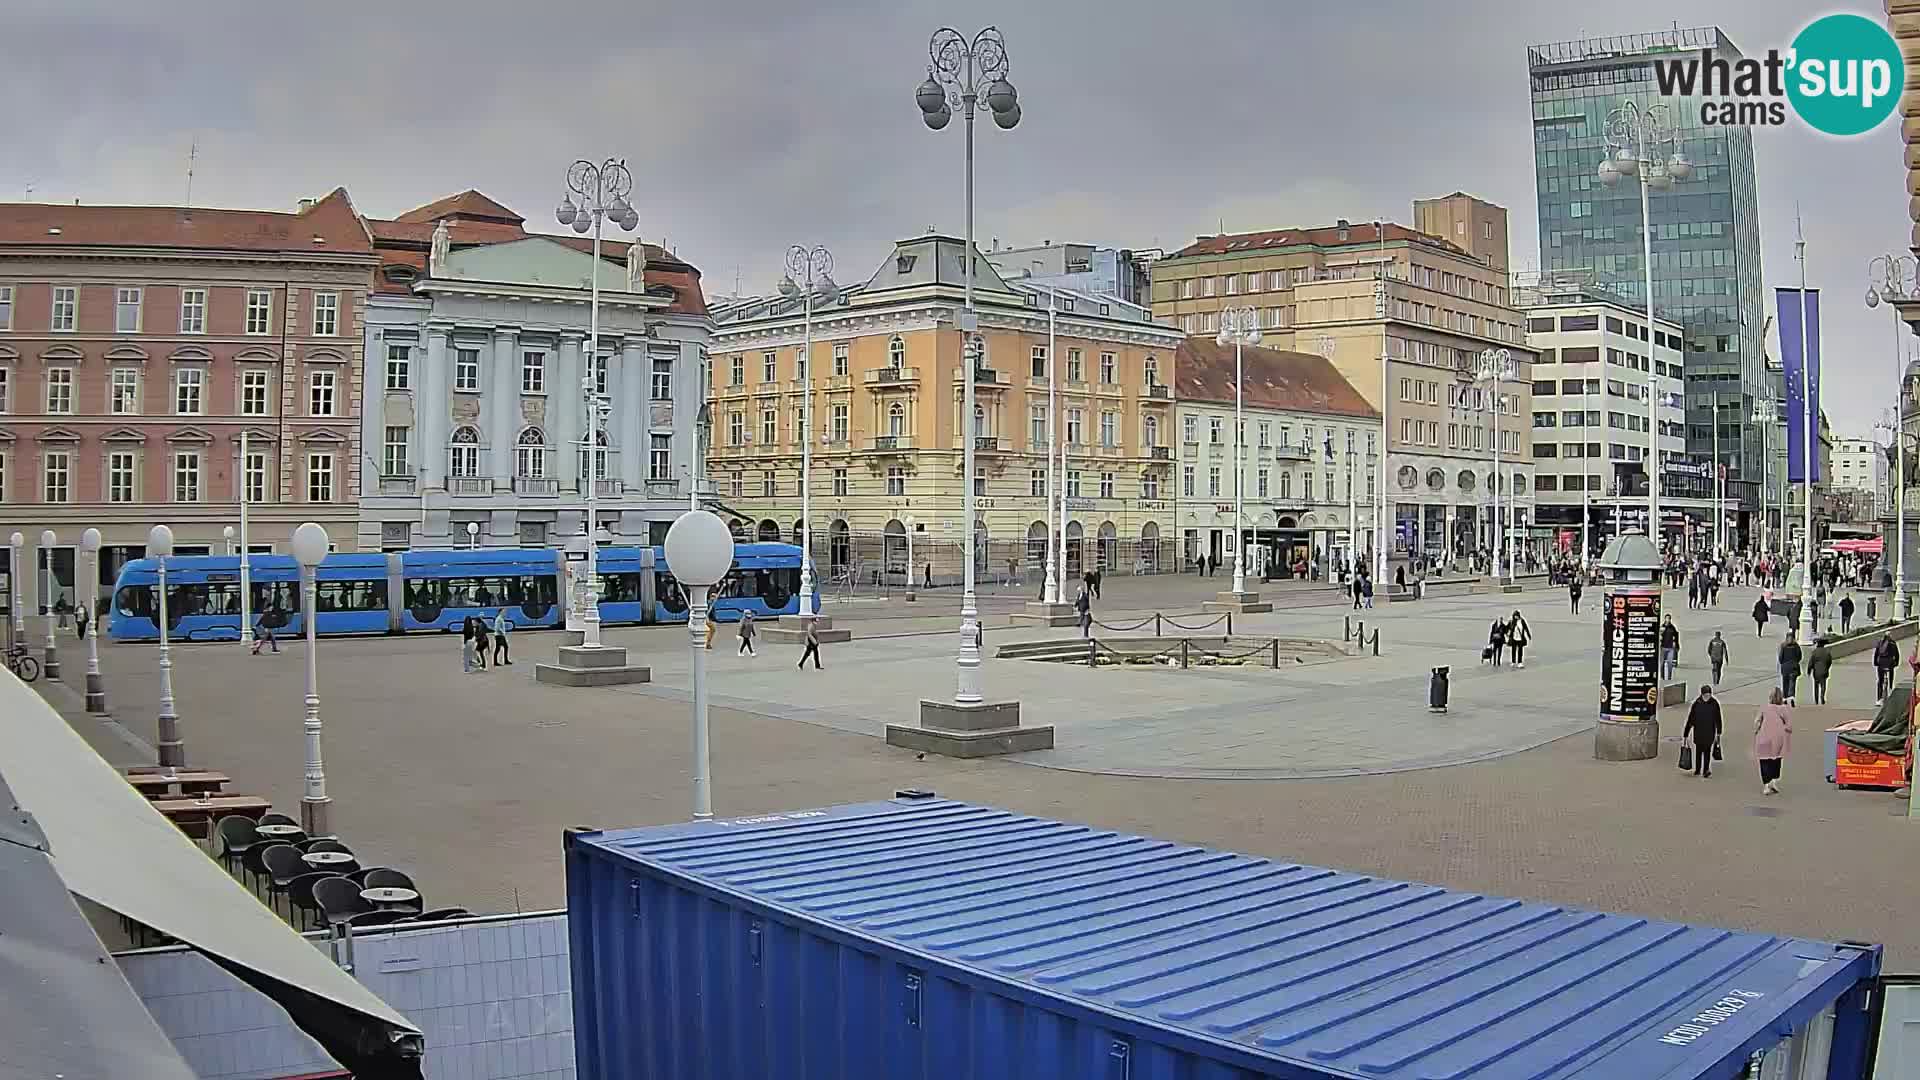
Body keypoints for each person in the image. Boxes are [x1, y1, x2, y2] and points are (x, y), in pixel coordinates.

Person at [1752, 688, 1793, 795]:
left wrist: (1756, 731)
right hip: (1778, 739)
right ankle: (1773, 781)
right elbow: (1789, 726)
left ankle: (1766, 784)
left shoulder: (1764, 707)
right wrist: (1782, 729)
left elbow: (1757, 721)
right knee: (1776, 760)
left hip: (1763, 737)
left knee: (1764, 760)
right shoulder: (1784, 709)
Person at [1682, 684, 1722, 779]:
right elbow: (1691, 719)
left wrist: (1719, 732)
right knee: (1699, 751)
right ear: (1702, 694)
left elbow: (1718, 719)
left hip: (1709, 731)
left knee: (1707, 751)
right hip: (1699, 731)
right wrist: (1686, 733)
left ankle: (1706, 770)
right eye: (1706, 695)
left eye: (1709, 695)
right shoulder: (1697, 703)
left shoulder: (1714, 703)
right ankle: (1698, 769)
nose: (1707, 697)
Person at [1777, 631, 1803, 705]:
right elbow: (1799, 656)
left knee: (1785, 683)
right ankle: (1791, 696)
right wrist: (1795, 662)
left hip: (1785, 667)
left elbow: (1780, 657)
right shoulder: (1796, 646)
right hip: (1794, 667)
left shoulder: (1783, 646)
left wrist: (1783, 663)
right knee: (1792, 682)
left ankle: (1784, 698)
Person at [1874, 632, 1901, 702]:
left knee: (1880, 681)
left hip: (1881, 664)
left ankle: (1879, 699)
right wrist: (1896, 663)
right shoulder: (1893, 644)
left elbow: (1876, 654)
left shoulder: (1880, 643)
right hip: (1890, 664)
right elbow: (1897, 655)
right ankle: (1891, 687)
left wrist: (1875, 663)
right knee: (1891, 674)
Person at [1808, 635, 1833, 704]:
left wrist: (1809, 671)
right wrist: (1827, 668)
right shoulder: (1827, 652)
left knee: (1816, 686)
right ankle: (1822, 696)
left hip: (1816, 672)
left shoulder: (1814, 652)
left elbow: (1811, 662)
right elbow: (1829, 661)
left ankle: (1816, 700)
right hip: (1824, 671)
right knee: (1823, 685)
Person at [1659, 615, 1680, 681]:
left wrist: (1677, 645)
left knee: (1670, 664)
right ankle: (1662, 677)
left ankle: (1669, 678)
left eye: (1669, 619)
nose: (1668, 620)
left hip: (1670, 648)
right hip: (1663, 647)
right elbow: (1659, 636)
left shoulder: (1672, 627)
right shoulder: (1662, 627)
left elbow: (1676, 636)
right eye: (1667, 618)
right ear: (1665, 619)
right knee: (1662, 663)